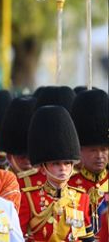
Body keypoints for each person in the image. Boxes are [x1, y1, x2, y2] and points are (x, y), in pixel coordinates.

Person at [19, 105, 94, 241]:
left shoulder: (82, 198)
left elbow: (87, 238)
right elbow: (19, 236)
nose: (63, 168)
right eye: (56, 164)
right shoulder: (29, 198)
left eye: (67, 163)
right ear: (43, 168)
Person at [68, 89, 108, 241]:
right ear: (80, 150)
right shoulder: (69, 185)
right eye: (93, 150)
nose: (99, 156)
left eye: (104, 149)